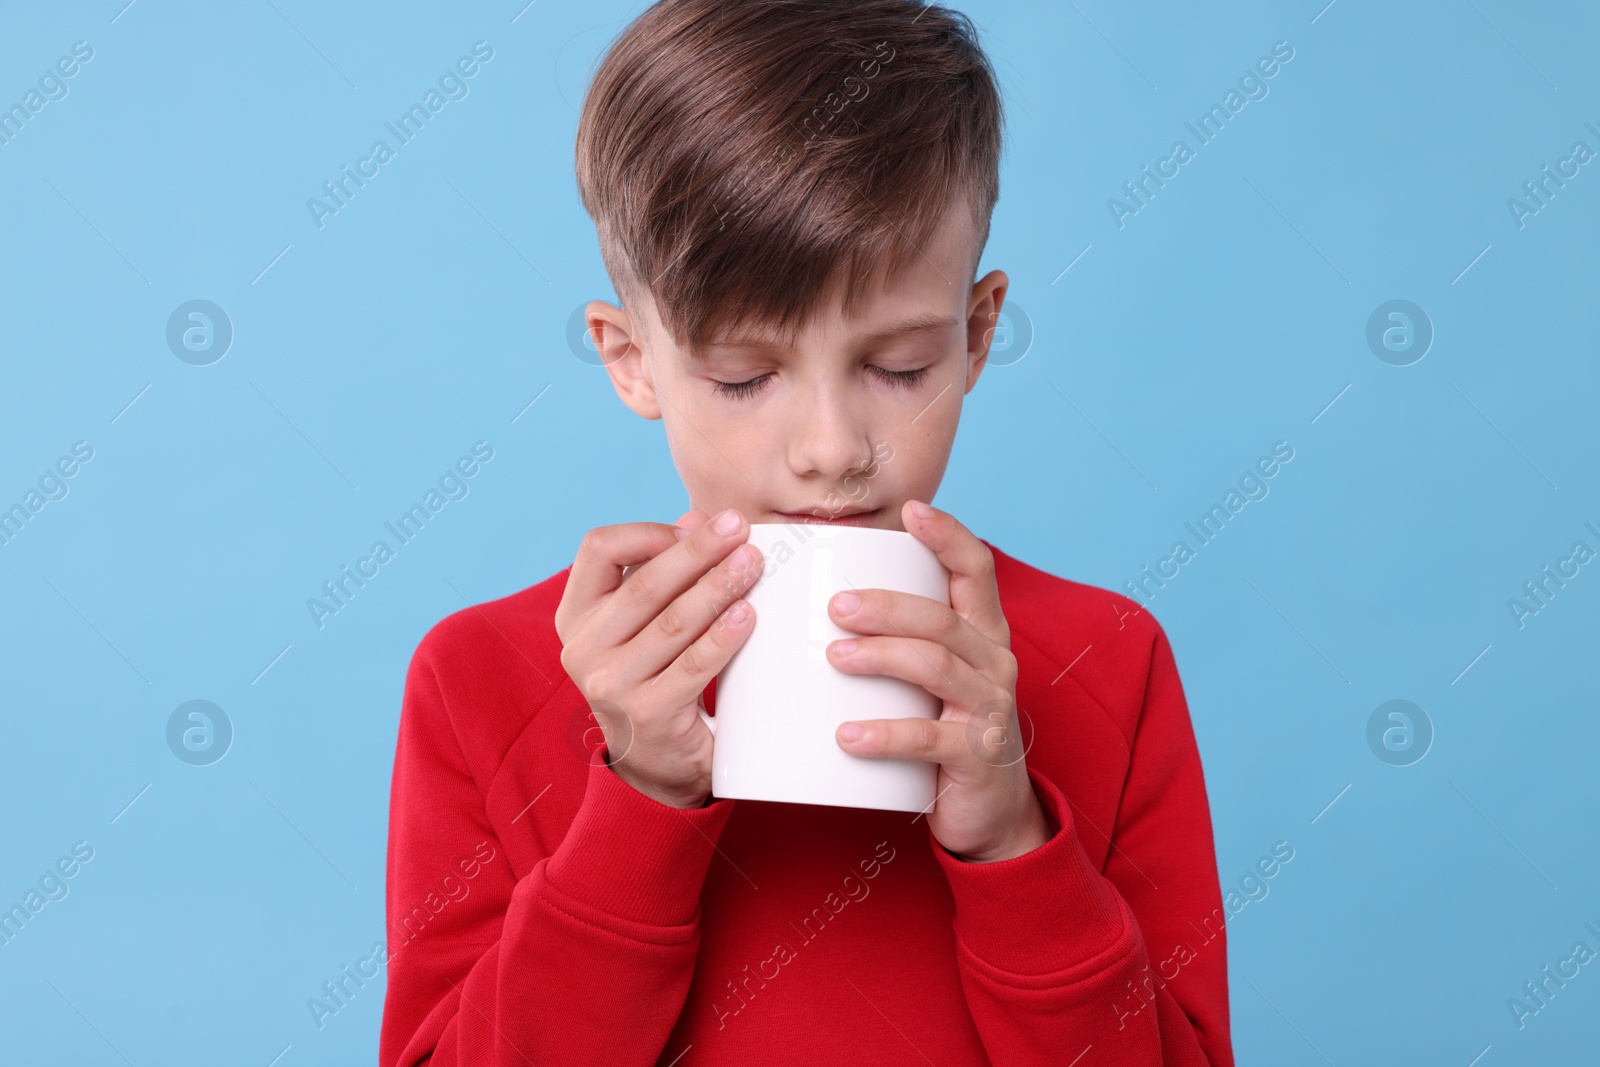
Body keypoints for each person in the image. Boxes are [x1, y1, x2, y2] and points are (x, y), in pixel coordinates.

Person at [380, 1, 1234, 1063]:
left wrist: (1015, 842)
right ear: (630, 358)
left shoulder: (1108, 662)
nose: (831, 449)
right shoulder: (482, 680)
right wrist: (638, 801)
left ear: (975, 336)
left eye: (899, 368)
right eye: (743, 377)